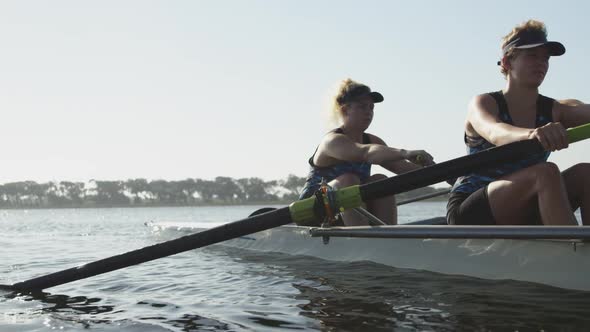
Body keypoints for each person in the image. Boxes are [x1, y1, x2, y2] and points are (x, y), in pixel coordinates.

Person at [447, 19, 590, 226]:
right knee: (546, 172)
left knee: (586, 173)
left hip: (529, 201)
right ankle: (572, 253)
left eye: (545, 58)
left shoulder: (556, 109)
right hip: (471, 207)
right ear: (507, 62)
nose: (541, 63)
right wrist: (532, 134)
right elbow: (495, 131)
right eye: (532, 55)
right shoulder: (484, 103)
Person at [299, 78, 434, 226]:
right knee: (348, 180)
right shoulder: (332, 141)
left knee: (380, 180)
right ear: (345, 110)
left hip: (348, 213)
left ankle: (389, 238)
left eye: (371, 107)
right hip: (314, 214)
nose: (368, 112)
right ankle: (360, 238)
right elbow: (366, 153)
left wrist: (437, 170)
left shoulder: (373, 141)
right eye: (362, 107)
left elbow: (404, 169)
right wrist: (405, 153)